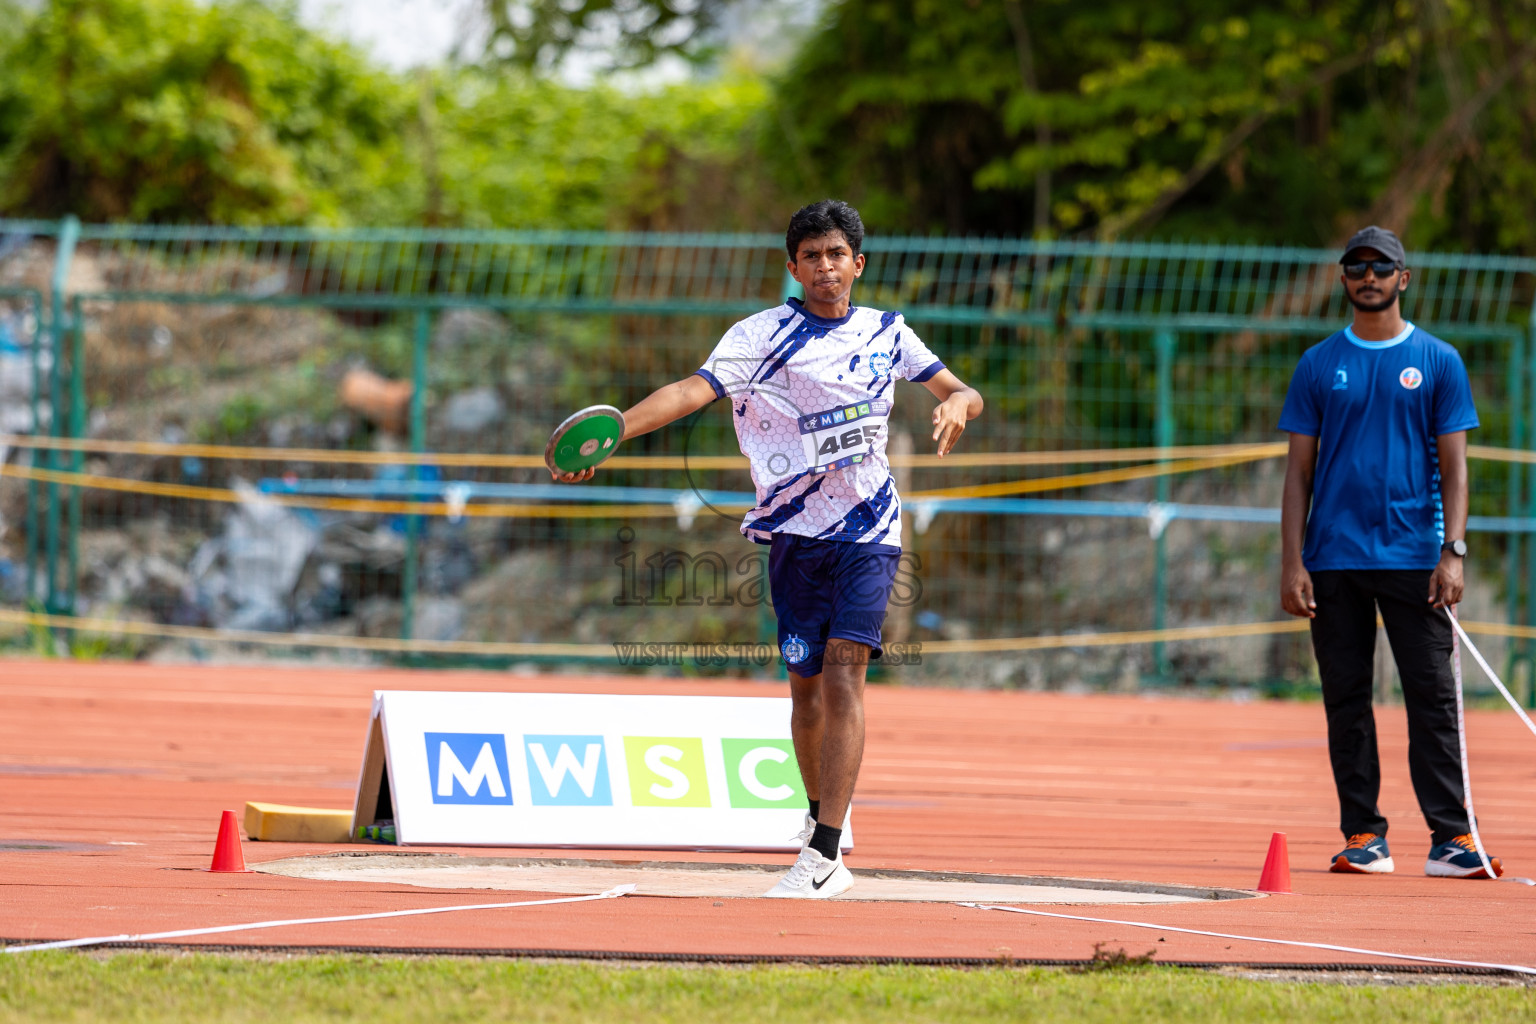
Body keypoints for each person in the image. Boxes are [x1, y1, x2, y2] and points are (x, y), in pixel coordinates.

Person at [553, 199, 984, 897]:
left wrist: (959, 402)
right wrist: (613, 435)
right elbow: (690, 392)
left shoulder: (888, 333)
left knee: (846, 674)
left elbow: (959, 388)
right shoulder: (759, 337)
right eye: (810, 256)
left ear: (858, 265)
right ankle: (821, 819)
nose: (825, 267)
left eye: (836, 254)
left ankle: (824, 855)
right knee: (805, 692)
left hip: (871, 531)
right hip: (792, 536)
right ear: (792, 267)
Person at [1278, 225, 1501, 879]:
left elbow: (1456, 469)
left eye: (1382, 266)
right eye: (1356, 265)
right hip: (1334, 558)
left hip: (1414, 556)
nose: (1368, 275)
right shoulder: (1319, 364)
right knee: (1346, 698)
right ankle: (1362, 835)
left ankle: (1453, 838)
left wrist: (1452, 551)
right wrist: (1292, 560)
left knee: (1433, 697)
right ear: (1343, 278)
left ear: (1404, 278)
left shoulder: (1438, 361)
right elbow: (1297, 474)